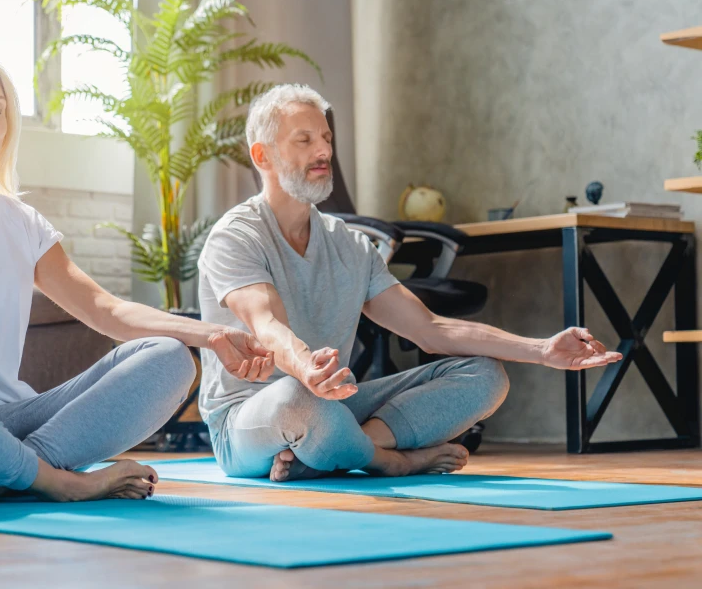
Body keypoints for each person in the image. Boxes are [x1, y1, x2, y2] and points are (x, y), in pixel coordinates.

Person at [0, 50, 275, 505]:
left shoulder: (22, 222)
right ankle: (59, 480)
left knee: (169, 358)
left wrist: (210, 335)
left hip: (9, 421)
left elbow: (105, 310)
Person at [197, 84, 622, 482]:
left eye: (326, 137)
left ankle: (334, 451)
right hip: (250, 420)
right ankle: (388, 461)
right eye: (304, 140)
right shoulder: (237, 236)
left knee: (486, 375)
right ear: (263, 155)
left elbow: (430, 330)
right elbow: (269, 326)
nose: (324, 149)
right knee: (296, 398)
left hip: (333, 406)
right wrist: (308, 369)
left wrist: (542, 350)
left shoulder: (351, 246)